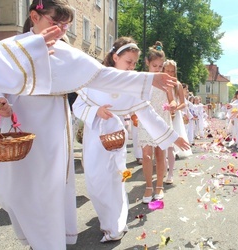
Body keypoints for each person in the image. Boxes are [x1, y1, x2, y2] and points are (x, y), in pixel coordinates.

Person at [0, 1, 178, 249]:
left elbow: (102, 75)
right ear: (35, 16)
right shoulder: (12, 48)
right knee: (13, 191)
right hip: (20, 125)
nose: (61, 32)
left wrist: (148, 78)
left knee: (50, 187)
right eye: (55, 23)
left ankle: (48, 243)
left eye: (65, 26)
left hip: (54, 128)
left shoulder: (66, 52)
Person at [72, 37, 190, 243]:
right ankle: (107, 220)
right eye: (128, 61)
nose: (132, 66)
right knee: (95, 182)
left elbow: (147, 113)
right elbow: (78, 106)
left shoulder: (133, 82)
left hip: (116, 139)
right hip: (94, 137)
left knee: (115, 179)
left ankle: (114, 226)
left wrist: (174, 137)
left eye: (135, 63)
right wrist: (95, 111)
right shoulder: (96, 77)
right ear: (115, 57)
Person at [138, 42, 174, 203]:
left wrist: (171, 106)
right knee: (146, 155)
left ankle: (159, 186)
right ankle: (148, 186)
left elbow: (172, 101)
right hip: (145, 119)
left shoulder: (166, 81)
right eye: (154, 66)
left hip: (161, 119)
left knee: (160, 154)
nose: (158, 69)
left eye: (160, 66)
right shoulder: (141, 79)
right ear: (147, 63)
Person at [162, 60, 192, 184]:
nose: (170, 73)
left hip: (174, 115)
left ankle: (170, 174)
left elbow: (183, 103)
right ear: (163, 70)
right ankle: (162, 168)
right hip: (161, 114)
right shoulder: (159, 82)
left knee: (170, 145)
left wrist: (174, 108)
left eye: (172, 71)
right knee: (161, 145)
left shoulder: (177, 84)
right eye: (167, 70)